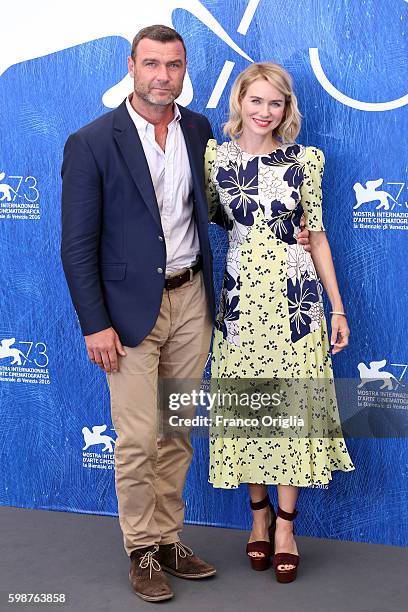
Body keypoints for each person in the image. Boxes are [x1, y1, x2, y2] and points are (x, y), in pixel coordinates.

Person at [61, 25, 311, 601]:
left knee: (177, 432)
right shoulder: (93, 141)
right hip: (125, 315)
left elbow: (227, 207)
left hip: (192, 302)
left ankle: (170, 540)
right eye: (151, 64)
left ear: (184, 70)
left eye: (173, 65)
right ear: (131, 66)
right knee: (138, 436)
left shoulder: (199, 131)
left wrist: (286, 228)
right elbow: (76, 245)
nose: (162, 75)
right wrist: (93, 323)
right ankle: (141, 549)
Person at [205, 62, 355, 584]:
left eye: (276, 103)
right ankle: (258, 517)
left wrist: (336, 307)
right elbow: (211, 223)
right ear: (239, 102)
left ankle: (287, 527)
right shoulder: (214, 159)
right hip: (241, 303)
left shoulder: (305, 161)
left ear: (286, 108)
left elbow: (314, 237)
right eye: (257, 101)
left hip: (296, 306)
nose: (266, 112)